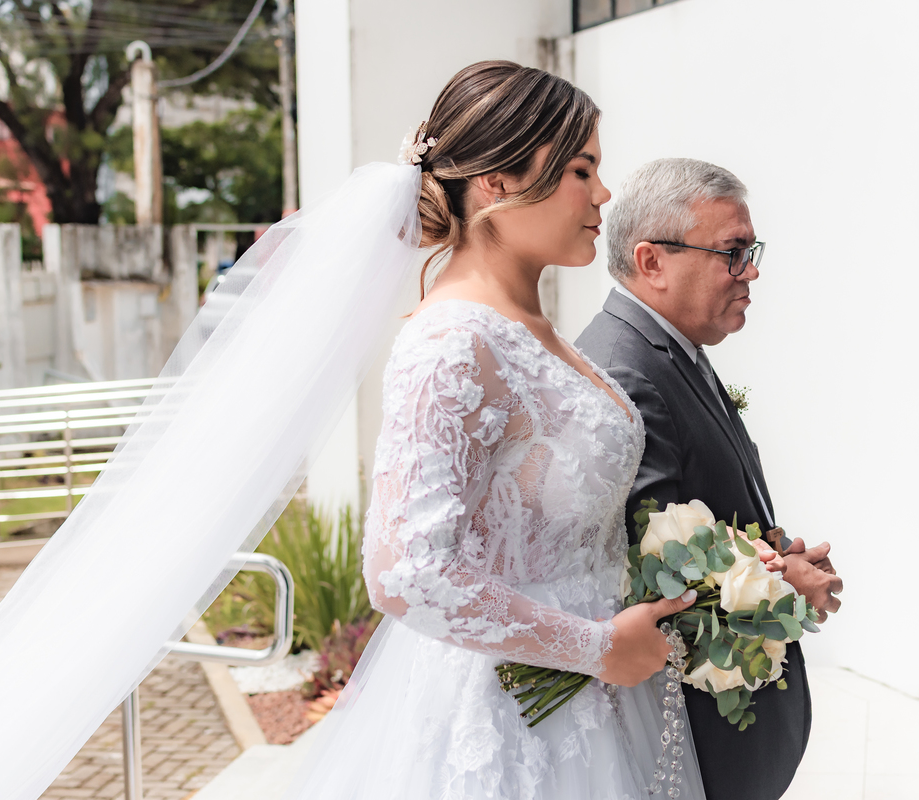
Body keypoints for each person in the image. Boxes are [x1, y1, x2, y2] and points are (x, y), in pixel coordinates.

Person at [280, 63, 707, 799]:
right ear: (498, 182)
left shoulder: (536, 330)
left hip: (596, 704)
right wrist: (598, 648)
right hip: (510, 722)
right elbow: (403, 570)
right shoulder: (451, 341)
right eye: (582, 169)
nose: (603, 194)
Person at [575, 158, 845, 800]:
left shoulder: (670, 347)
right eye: (733, 252)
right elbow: (649, 574)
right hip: (687, 736)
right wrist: (783, 588)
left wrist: (772, 555)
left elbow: (698, 519)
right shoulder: (627, 371)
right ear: (653, 261)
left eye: (751, 251)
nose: (751, 271)